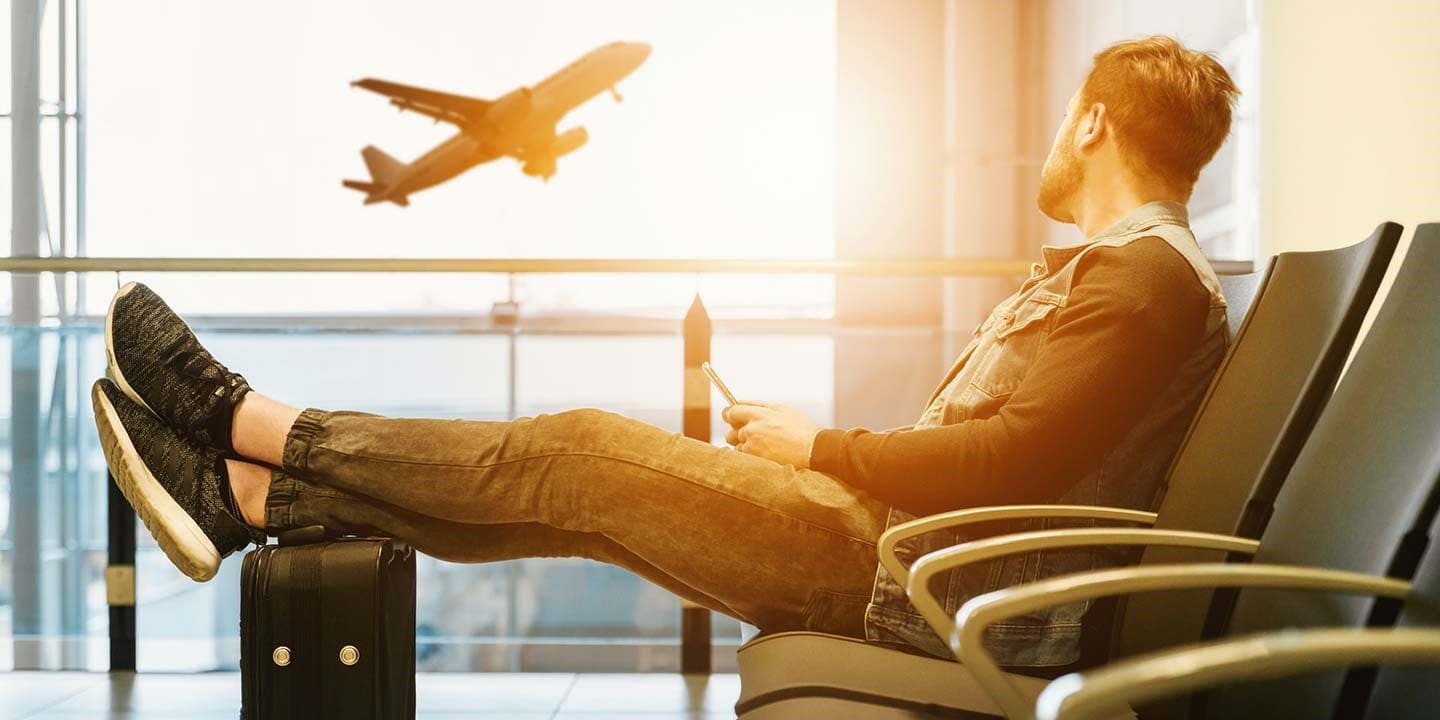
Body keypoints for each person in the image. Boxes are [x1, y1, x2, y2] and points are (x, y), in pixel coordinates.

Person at [92, 35, 1238, 669]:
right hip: (911, 562)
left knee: (579, 454)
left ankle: (241, 419)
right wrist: (825, 454)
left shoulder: (1141, 280)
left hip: (916, 585)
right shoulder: (1132, 278)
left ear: (1091, 122)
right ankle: (248, 499)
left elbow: (1015, 464)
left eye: (1060, 121)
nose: (1050, 141)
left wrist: (825, 446)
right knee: (582, 506)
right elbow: (1015, 457)